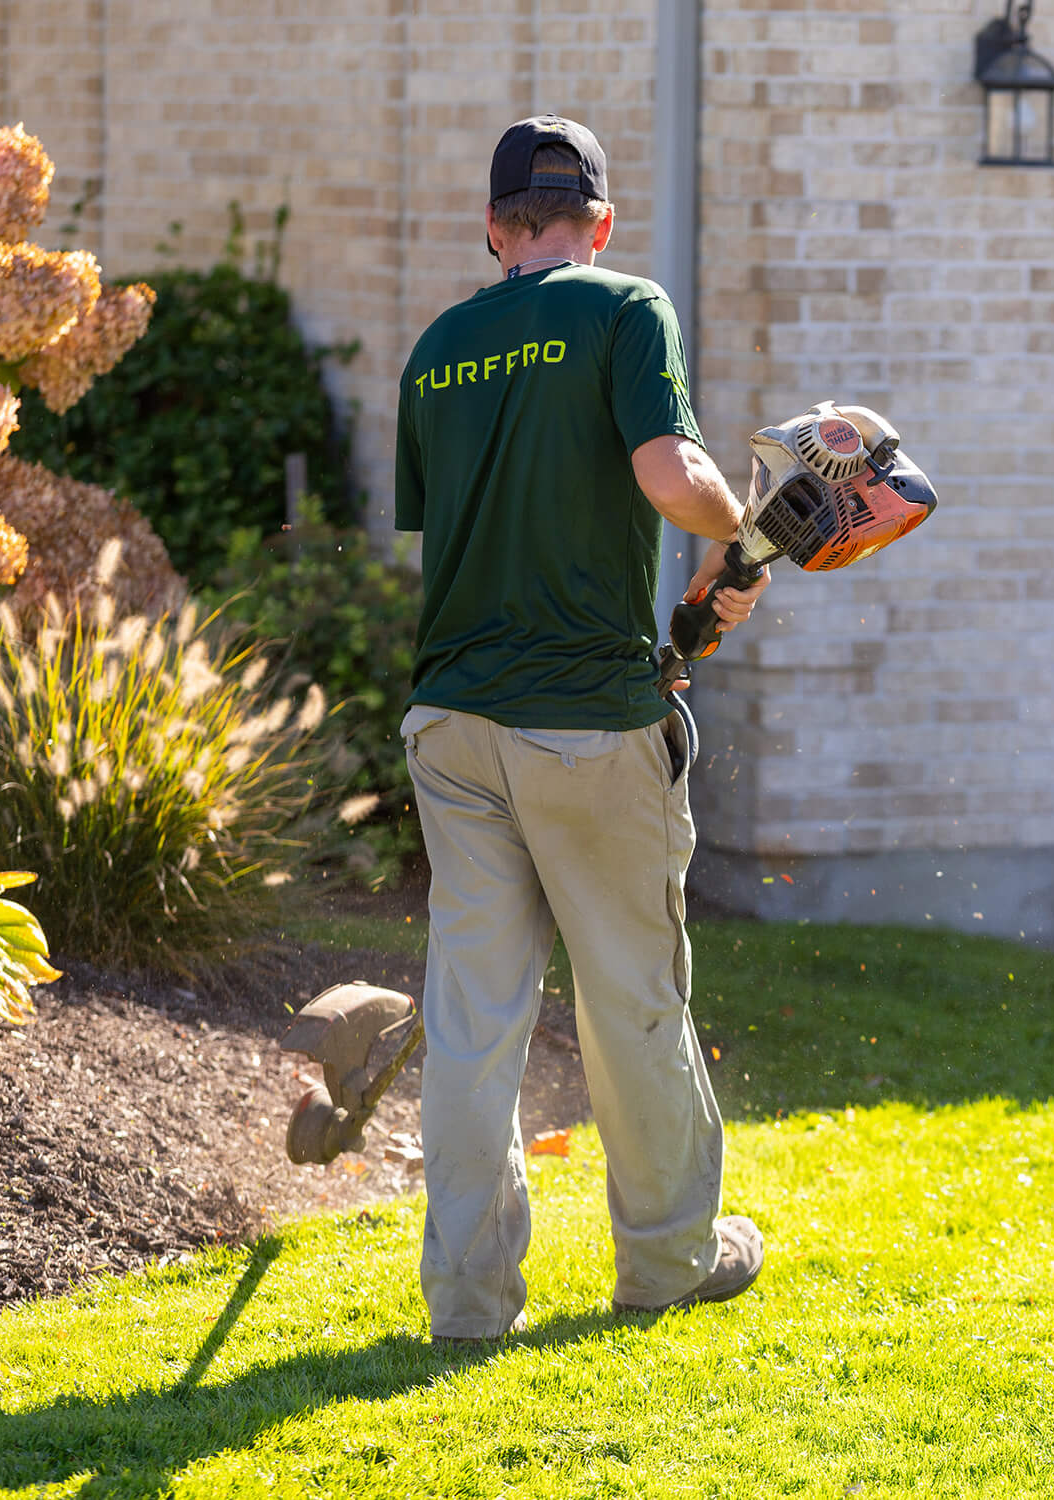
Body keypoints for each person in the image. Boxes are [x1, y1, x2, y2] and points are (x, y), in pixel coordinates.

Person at [393, 115, 769, 1345]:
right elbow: (668, 474)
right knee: (632, 1001)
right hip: (589, 728)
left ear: (494, 224)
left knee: (471, 1018)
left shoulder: (438, 347)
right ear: (598, 222)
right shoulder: (624, 308)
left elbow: (443, 534)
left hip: (451, 723)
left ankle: (465, 1301)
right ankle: (665, 1261)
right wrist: (737, 532)